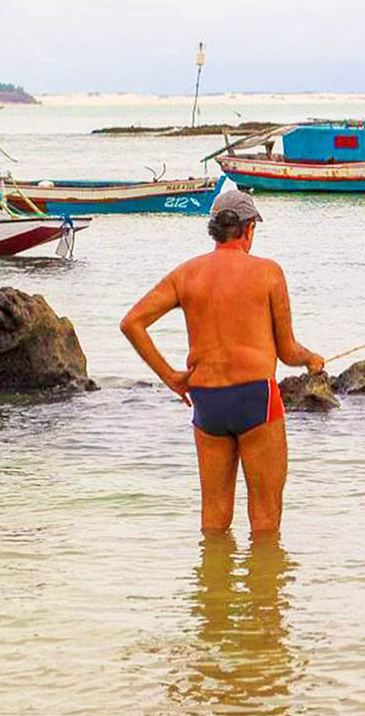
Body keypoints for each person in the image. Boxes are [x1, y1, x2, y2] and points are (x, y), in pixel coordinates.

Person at [120, 190, 323, 533]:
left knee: (213, 519)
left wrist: (170, 377)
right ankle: (263, 586)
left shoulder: (186, 274)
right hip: (255, 397)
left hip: (207, 401)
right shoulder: (269, 272)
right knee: (265, 519)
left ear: (215, 229)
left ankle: (213, 585)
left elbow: (132, 323)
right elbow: (287, 352)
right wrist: (311, 359)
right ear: (248, 230)